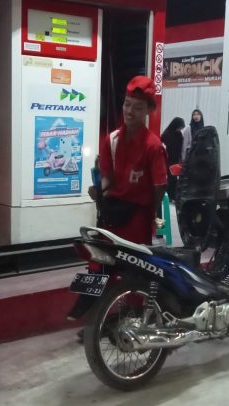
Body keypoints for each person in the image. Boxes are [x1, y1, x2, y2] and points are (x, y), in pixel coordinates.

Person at [68, 76, 168, 333]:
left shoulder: (154, 146)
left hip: (137, 219)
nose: (130, 111)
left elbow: (159, 185)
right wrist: (99, 191)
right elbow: (108, 178)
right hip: (111, 215)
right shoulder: (111, 139)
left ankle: (133, 320)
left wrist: (152, 216)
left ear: (148, 110)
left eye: (137, 107)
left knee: (136, 271)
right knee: (102, 265)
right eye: (127, 104)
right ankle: (97, 320)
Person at [160, 117, 186, 201]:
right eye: (179, 127)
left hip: (176, 159)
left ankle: (172, 195)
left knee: (174, 178)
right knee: (170, 178)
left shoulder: (179, 135)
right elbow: (161, 146)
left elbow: (182, 147)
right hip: (168, 159)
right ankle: (168, 195)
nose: (180, 129)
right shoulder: (166, 134)